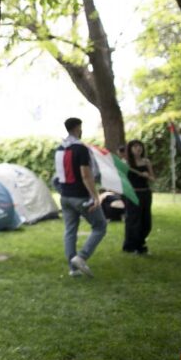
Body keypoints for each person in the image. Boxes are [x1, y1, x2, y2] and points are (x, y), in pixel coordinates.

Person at [54, 117, 108, 277]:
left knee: (70, 230)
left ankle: (73, 268)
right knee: (100, 226)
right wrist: (95, 196)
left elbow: (58, 176)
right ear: (77, 128)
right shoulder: (81, 149)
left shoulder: (59, 149)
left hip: (65, 196)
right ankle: (81, 257)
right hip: (81, 196)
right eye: (81, 127)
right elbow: (86, 175)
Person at [122, 139, 155, 254]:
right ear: (130, 149)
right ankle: (131, 246)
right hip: (133, 194)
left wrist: (146, 175)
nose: (138, 148)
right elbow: (122, 180)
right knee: (133, 221)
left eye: (140, 146)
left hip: (145, 193)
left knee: (146, 221)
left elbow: (152, 179)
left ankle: (141, 244)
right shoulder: (126, 163)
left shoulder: (146, 162)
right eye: (135, 146)